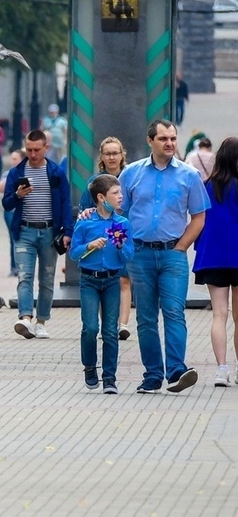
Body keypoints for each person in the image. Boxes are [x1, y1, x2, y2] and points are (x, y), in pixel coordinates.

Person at [122, 119, 209, 394]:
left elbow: (199, 216)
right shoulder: (131, 173)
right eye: (163, 139)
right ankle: (152, 375)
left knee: (174, 311)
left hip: (173, 254)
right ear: (150, 141)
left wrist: (182, 246)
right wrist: (125, 247)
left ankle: (176, 371)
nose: (170, 143)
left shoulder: (189, 175)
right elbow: (119, 214)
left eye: (173, 138)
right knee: (146, 317)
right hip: (140, 253)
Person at [1, 130, 73, 340]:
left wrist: (67, 231)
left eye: (37, 150)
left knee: (47, 279)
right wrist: (17, 195)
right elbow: (6, 203)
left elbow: (65, 203)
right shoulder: (16, 172)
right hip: (24, 231)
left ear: (46, 148)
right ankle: (25, 318)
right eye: (29, 150)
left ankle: (41, 321)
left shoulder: (56, 173)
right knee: (25, 276)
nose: (32, 154)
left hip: (50, 232)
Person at [69, 174, 134, 395]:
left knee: (109, 330)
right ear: (100, 197)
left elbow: (129, 255)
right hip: (88, 280)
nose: (120, 197)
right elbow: (74, 253)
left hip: (112, 280)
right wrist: (90, 245)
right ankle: (89, 367)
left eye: (120, 192)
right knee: (90, 328)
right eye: (115, 193)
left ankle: (110, 377)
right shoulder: (86, 221)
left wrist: (120, 246)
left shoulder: (122, 223)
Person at [193, 137, 238, 387]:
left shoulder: (207, 185)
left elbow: (199, 219)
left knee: (219, 314)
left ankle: (222, 369)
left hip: (213, 257)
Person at [78, 137, 134, 339]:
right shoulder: (95, 182)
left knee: (124, 279)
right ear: (101, 156)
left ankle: (123, 324)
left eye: (115, 153)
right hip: (101, 236)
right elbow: (85, 207)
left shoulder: (129, 178)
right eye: (108, 153)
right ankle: (108, 324)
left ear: (122, 155)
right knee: (107, 277)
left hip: (123, 232)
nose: (112, 157)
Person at [0, 150, 23, 277]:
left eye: (15, 158)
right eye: (12, 158)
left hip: (23, 211)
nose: (13, 161)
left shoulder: (26, 172)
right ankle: (14, 266)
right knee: (13, 238)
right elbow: (0, 188)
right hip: (10, 211)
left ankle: (21, 266)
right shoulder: (8, 173)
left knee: (21, 238)